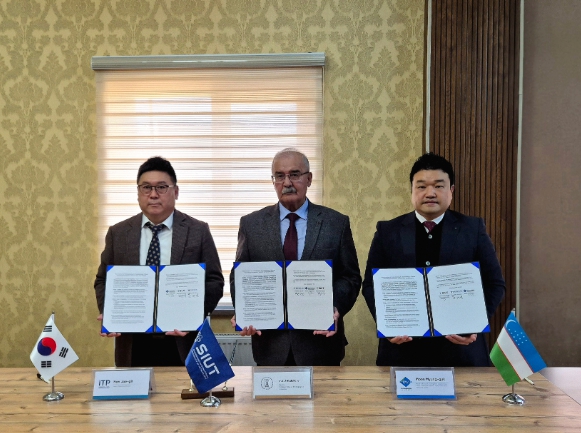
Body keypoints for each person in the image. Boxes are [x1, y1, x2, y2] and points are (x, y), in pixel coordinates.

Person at [362, 152, 505, 367]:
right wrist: (388, 326)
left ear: (451, 190)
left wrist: (474, 324)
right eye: (421, 186)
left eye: (439, 186)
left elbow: (495, 284)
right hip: (403, 351)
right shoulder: (387, 231)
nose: (430, 193)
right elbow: (370, 285)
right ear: (412, 190)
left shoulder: (472, 229)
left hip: (461, 351)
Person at [230, 148, 361, 366]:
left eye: (294, 174)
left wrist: (334, 307)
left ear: (309, 179)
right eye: (279, 176)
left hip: (321, 345)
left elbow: (350, 277)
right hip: (270, 346)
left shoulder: (335, 223)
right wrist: (245, 311)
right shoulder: (251, 224)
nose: (287, 182)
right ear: (273, 181)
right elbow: (240, 277)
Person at [94, 156, 224, 367]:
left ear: (176, 192)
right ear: (138, 193)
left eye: (162, 187)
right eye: (146, 187)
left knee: (181, 388)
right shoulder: (118, 233)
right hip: (133, 341)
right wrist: (109, 312)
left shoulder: (198, 231)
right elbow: (102, 280)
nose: (153, 194)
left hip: (182, 340)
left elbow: (214, 281)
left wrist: (192, 317)